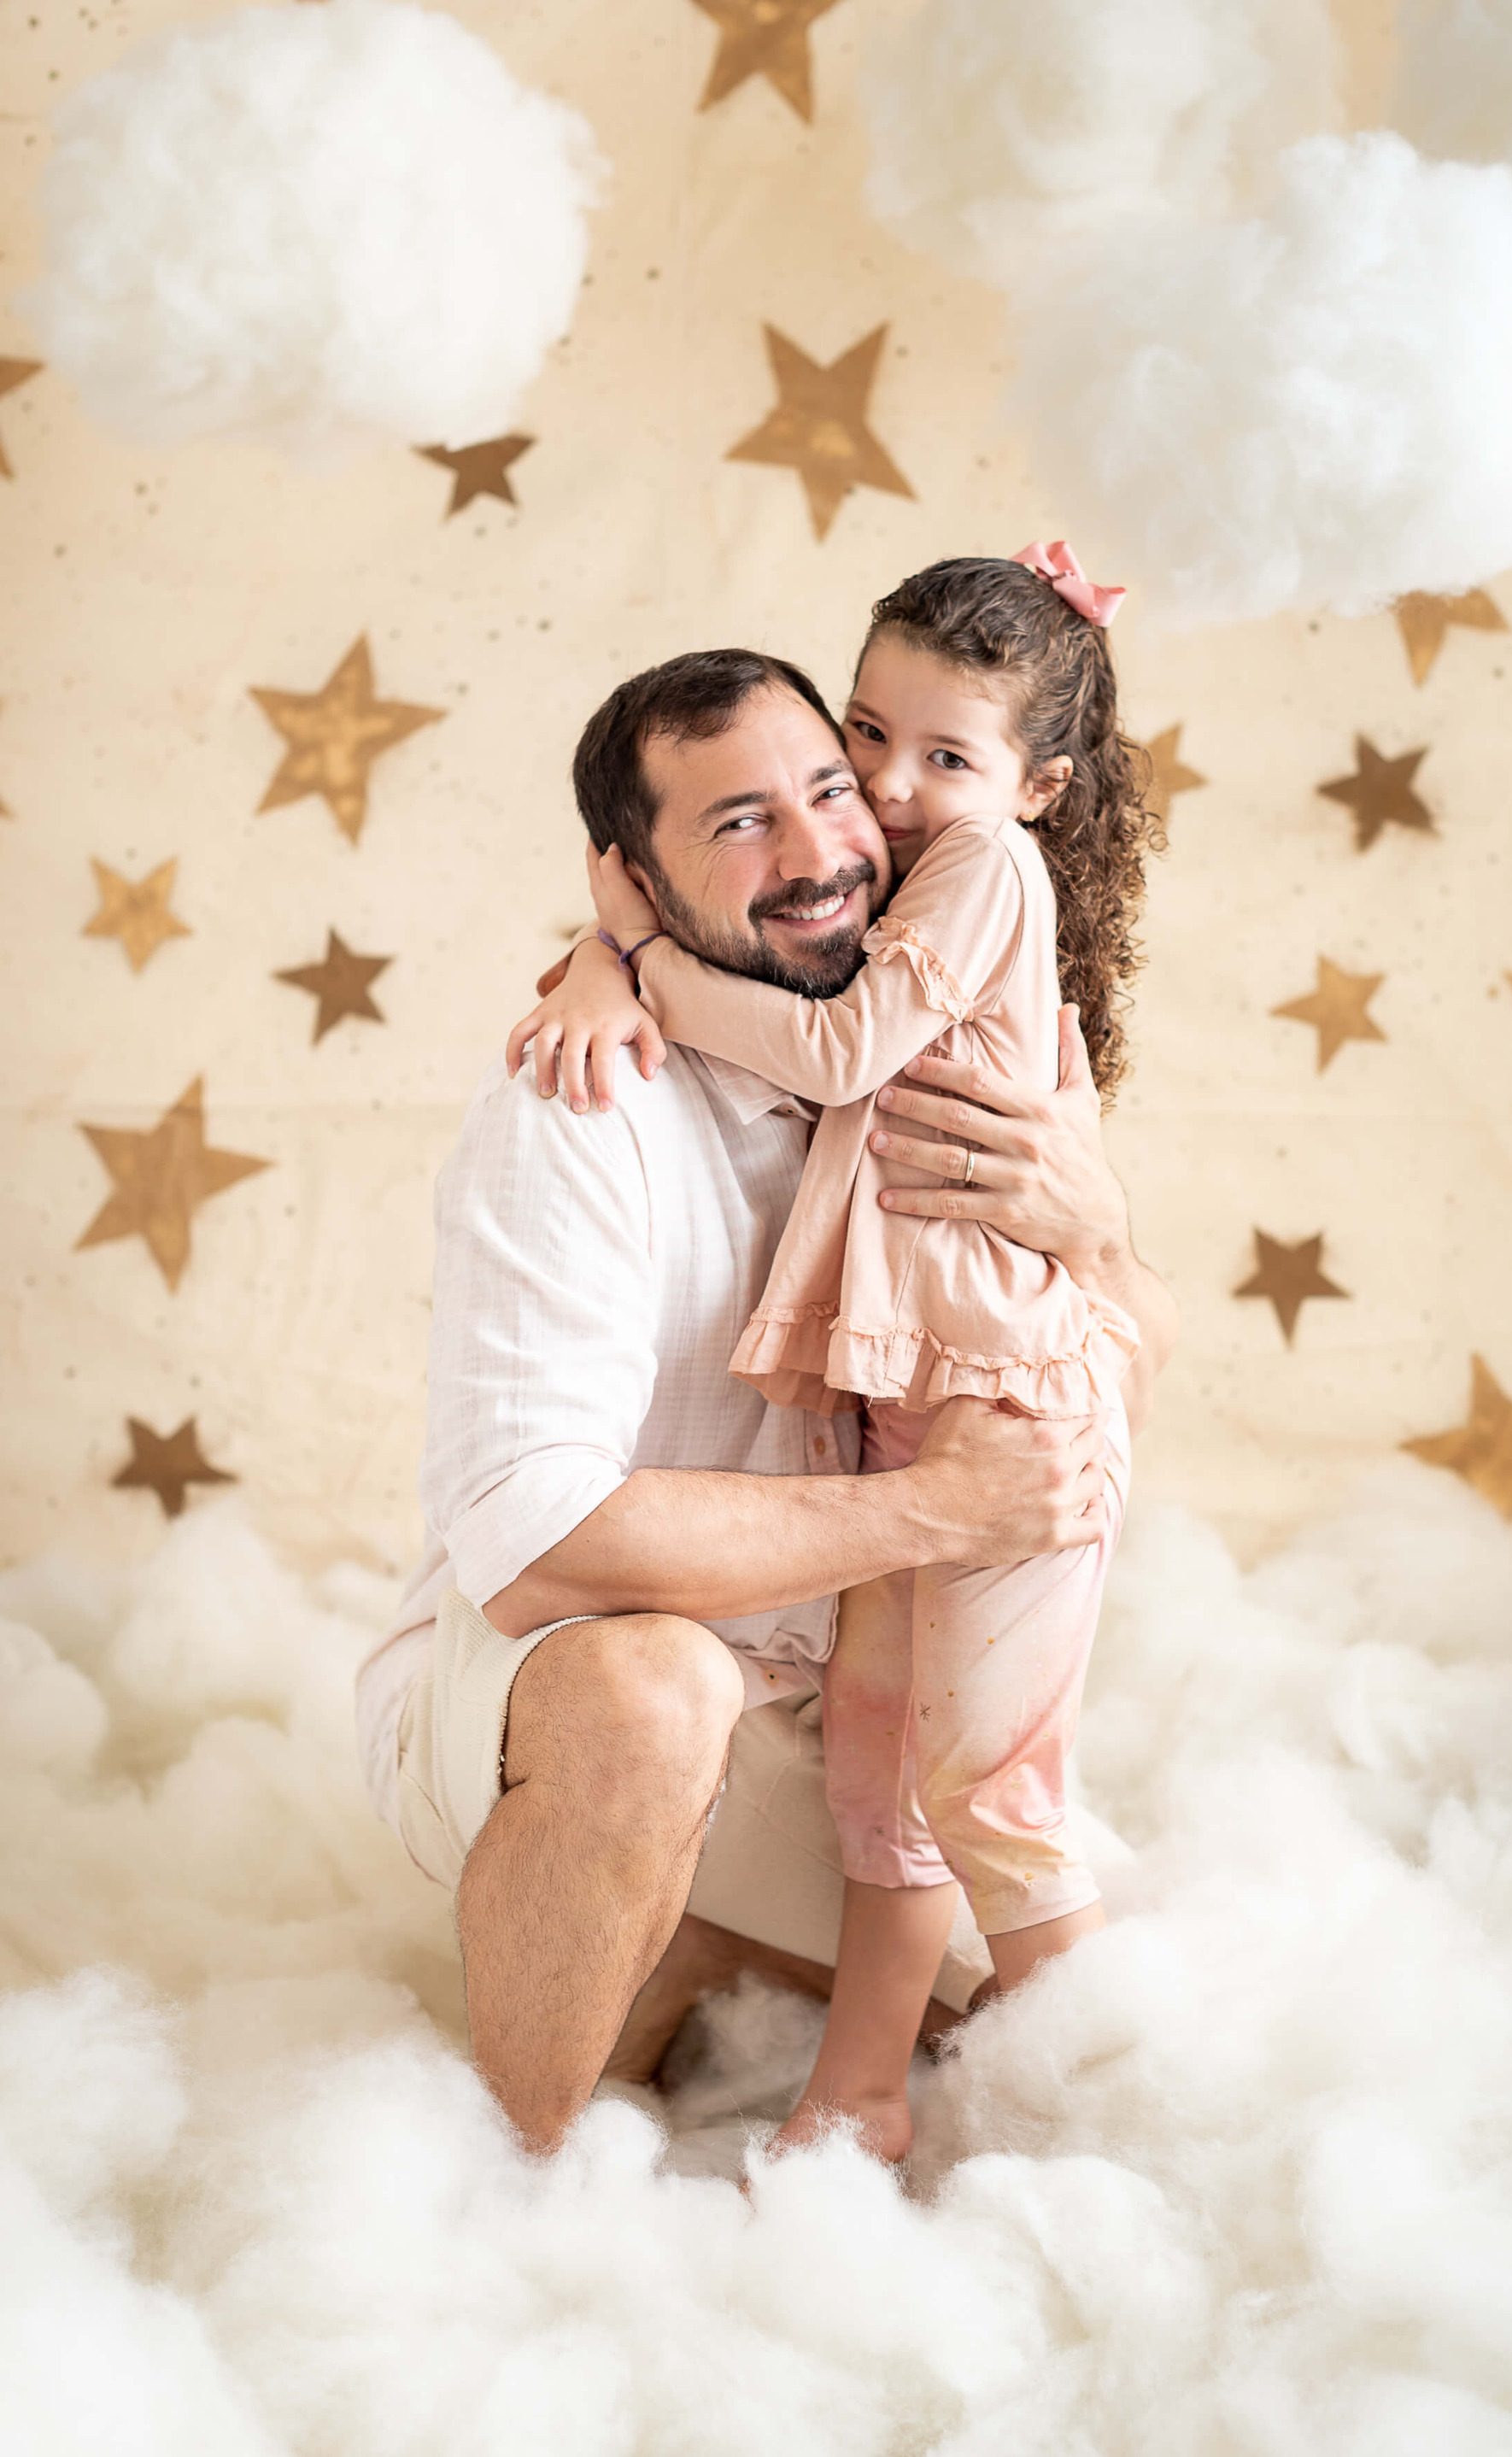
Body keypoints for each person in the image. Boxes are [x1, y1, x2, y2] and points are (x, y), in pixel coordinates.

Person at [355, 641, 1177, 2157]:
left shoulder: (935, 1039)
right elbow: (542, 1547)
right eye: (738, 825)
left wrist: (1096, 1228)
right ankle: (511, 2180)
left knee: (1011, 1975)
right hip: (558, 1686)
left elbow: (1122, 1362)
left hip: (816, 1703)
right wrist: (932, 1508)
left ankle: (701, 1940)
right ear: (637, 881)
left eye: (828, 791)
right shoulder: (583, 1101)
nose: (817, 855)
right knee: (652, 1692)